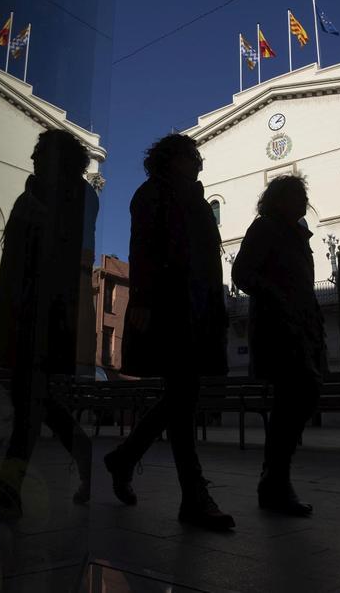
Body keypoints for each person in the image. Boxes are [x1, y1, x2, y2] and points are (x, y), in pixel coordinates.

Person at [102, 133, 234, 531]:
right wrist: (140, 300)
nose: (197, 162)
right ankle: (193, 495)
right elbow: (142, 249)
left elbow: (208, 261)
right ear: (169, 159)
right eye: (189, 156)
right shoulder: (151, 196)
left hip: (195, 308)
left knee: (182, 395)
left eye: (196, 157)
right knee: (183, 395)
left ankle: (126, 458)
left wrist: (216, 307)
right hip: (169, 306)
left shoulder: (194, 200)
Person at [0, 129, 97, 522]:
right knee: (37, 403)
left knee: (29, 404)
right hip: (24, 312)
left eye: (43, 151)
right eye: (37, 150)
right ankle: (83, 454)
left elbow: (58, 260)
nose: (35, 156)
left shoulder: (70, 197)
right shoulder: (35, 195)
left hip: (42, 315)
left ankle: (7, 491)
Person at [231, 175, 325, 516]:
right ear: (279, 199)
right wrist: (275, 296)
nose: (303, 202)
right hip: (278, 327)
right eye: (297, 196)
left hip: (300, 326)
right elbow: (241, 274)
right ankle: (275, 482)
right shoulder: (265, 228)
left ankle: (274, 481)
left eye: (304, 195)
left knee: (299, 397)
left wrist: (311, 318)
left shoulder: (298, 235)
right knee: (299, 394)